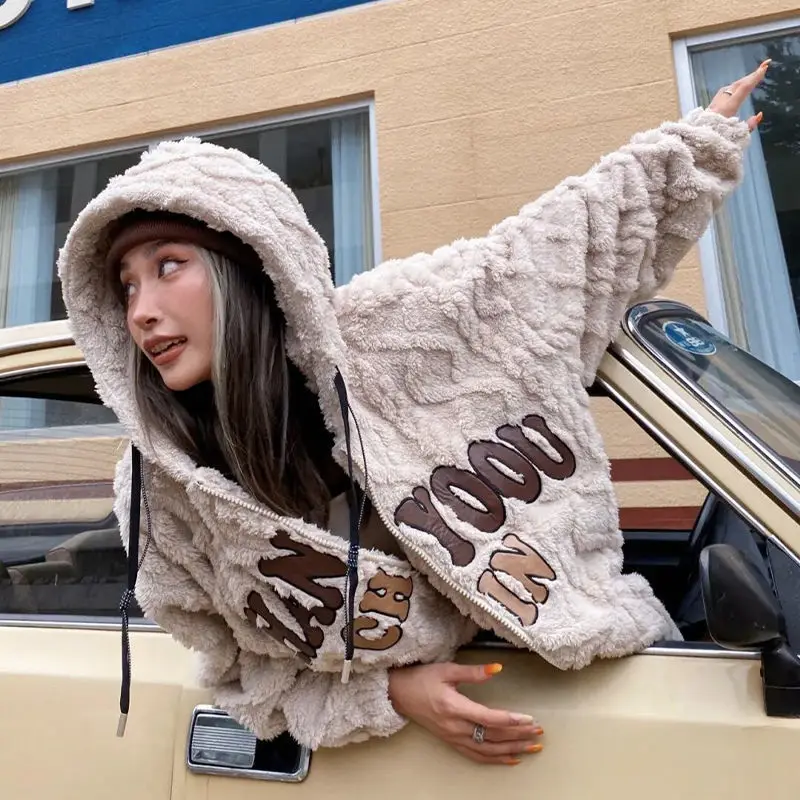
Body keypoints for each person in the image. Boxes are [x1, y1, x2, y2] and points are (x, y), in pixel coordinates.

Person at [58, 62, 768, 765]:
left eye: (168, 265)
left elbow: (558, 251)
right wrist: (393, 694)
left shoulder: (405, 329)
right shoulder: (160, 494)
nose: (141, 311)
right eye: (126, 285)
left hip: (598, 692)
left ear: (249, 266)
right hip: (393, 762)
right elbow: (244, 677)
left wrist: (692, 147)